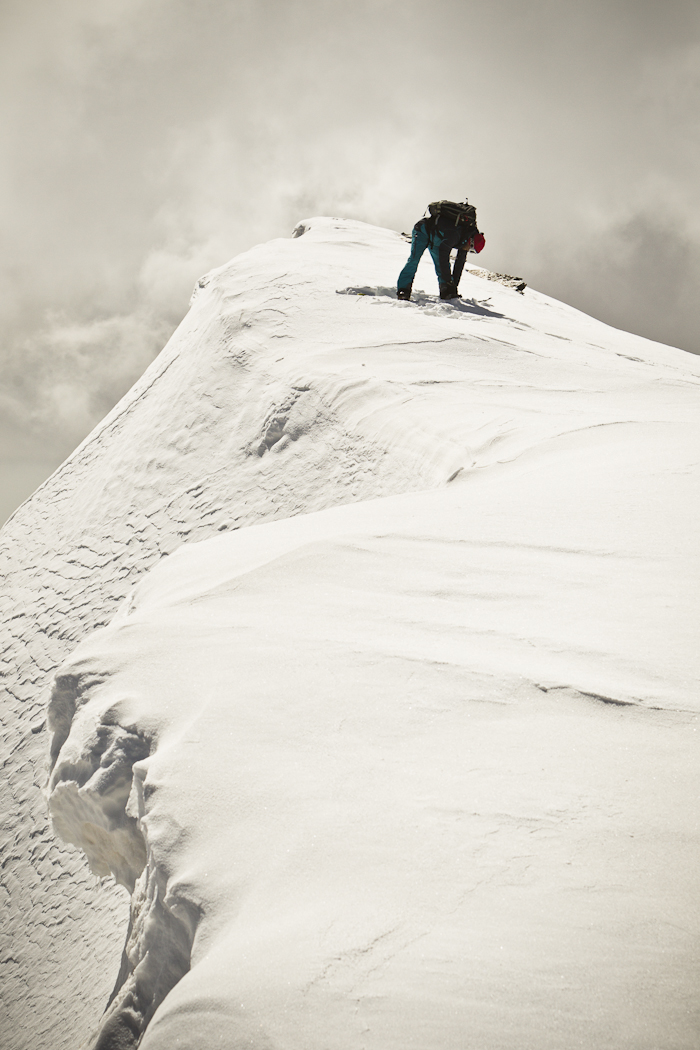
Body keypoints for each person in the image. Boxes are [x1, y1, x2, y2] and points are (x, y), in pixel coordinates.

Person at [397, 201, 485, 301]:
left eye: (472, 251)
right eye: (472, 249)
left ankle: (446, 292)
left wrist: (453, 287)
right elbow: (443, 256)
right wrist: (448, 281)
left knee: (441, 267)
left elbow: (459, 265)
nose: (469, 250)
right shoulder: (455, 235)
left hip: (436, 239)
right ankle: (403, 289)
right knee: (414, 260)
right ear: (471, 241)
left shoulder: (466, 238)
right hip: (422, 230)